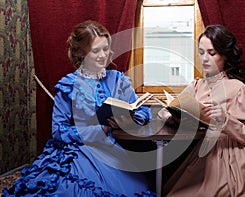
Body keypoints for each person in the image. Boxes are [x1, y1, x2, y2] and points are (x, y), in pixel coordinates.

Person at [2, 20, 155, 197]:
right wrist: (101, 128)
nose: (103, 55)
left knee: (134, 186)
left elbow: (142, 110)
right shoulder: (68, 85)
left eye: (105, 49)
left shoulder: (117, 79)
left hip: (113, 148)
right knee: (72, 189)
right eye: (96, 51)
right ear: (81, 53)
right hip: (79, 149)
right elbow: (58, 131)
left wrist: (129, 121)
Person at [160, 25, 245, 196]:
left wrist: (227, 121)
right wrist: (168, 115)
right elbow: (176, 108)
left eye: (212, 53)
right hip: (203, 154)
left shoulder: (238, 88)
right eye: (201, 52)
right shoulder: (196, 86)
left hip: (238, 159)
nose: (204, 59)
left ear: (225, 56)